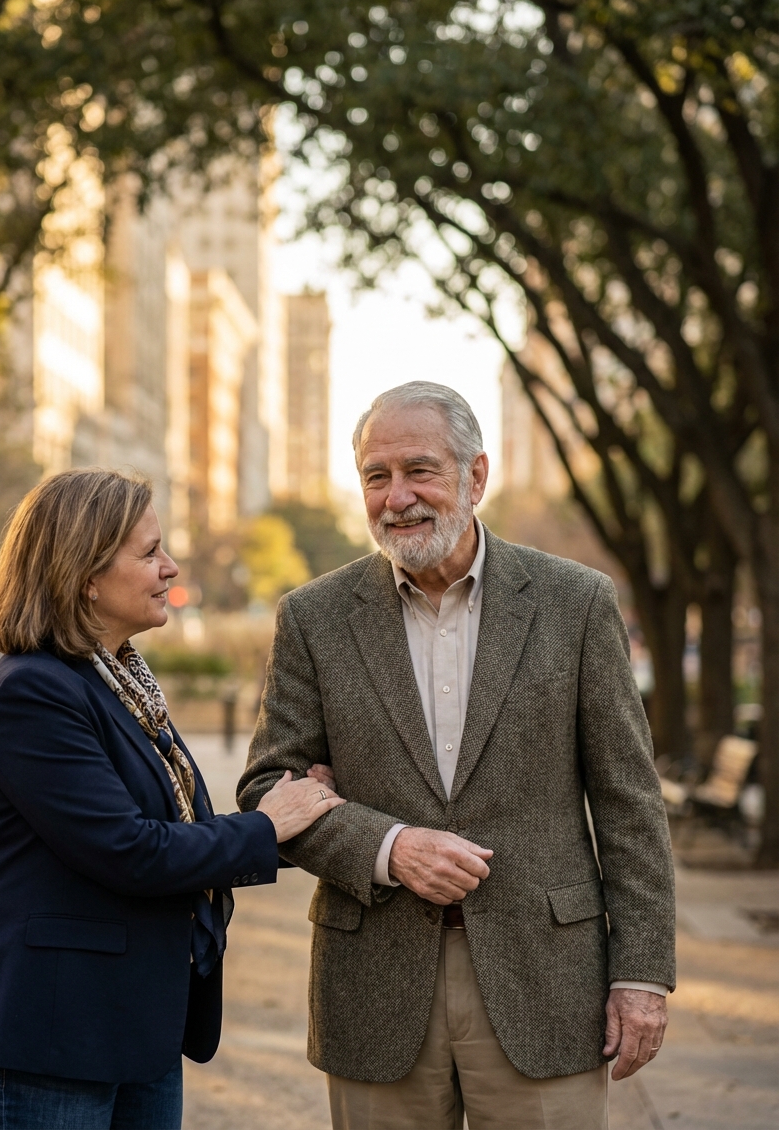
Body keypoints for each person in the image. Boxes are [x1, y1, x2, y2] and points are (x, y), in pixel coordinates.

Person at [238, 381, 676, 1130]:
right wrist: (388, 846)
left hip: (548, 983)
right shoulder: (313, 617)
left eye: (420, 470)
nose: (397, 497)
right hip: (373, 984)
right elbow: (267, 788)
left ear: (475, 476)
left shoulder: (575, 603)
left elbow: (628, 800)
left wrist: (641, 973)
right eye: (376, 476)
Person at [0, 468, 343, 1130]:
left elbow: (177, 827)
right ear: (86, 576)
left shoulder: (121, 683)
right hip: (47, 1039)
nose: (170, 567)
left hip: (134, 1026)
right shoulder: (32, 692)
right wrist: (265, 828)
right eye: (150, 552)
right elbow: (128, 849)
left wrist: (297, 820)